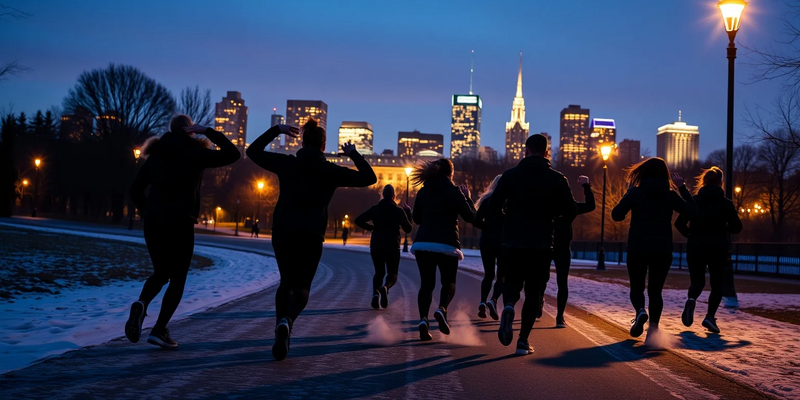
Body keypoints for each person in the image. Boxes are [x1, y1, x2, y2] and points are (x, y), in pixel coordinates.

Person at [246, 118, 376, 361]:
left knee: (286, 283)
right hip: (311, 234)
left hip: (283, 231)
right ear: (323, 146)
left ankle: (279, 329)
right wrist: (353, 154)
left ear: (303, 142)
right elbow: (369, 178)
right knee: (302, 287)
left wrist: (277, 130)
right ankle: (288, 321)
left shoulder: (287, 164)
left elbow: (252, 151)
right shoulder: (330, 171)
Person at [125, 115, 241, 349]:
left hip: (154, 222)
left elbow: (135, 189)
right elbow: (233, 154)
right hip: (180, 222)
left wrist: (147, 212)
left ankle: (142, 302)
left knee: (160, 272)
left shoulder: (156, 154)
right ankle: (159, 330)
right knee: (178, 278)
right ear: (190, 131)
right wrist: (207, 131)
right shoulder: (195, 152)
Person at [490, 134, 576, 355]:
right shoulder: (558, 179)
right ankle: (522, 341)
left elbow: (493, 206)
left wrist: (507, 218)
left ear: (525, 150)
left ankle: (508, 306)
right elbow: (570, 211)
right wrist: (553, 215)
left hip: (512, 241)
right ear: (547, 152)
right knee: (533, 292)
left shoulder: (510, 176)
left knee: (512, 283)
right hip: (541, 243)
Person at [611, 157, 694, 343]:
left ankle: (640, 311)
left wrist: (628, 194)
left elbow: (616, 215)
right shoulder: (670, 195)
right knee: (656, 291)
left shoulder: (636, 193)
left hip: (637, 247)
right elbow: (693, 211)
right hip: (662, 248)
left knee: (637, 287)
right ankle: (653, 332)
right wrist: (682, 188)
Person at [409, 158, 476, 341]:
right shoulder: (455, 192)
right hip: (447, 244)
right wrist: (467, 197)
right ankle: (442, 309)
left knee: (426, 285)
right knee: (448, 283)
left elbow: (417, 219)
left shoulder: (423, 191)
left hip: (423, 244)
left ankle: (423, 320)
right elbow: (470, 217)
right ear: (450, 174)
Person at [675, 167, 742, 333]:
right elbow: (737, 227)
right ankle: (710, 317)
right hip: (718, 248)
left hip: (696, 246)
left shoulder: (695, 201)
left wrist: (691, 234)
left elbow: (679, 223)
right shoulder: (726, 204)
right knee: (716, 284)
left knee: (697, 281)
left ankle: (691, 300)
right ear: (721, 183)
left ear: (704, 182)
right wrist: (723, 227)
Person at [539, 175, 595, 328]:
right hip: (562, 246)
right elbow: (590, 205)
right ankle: (560, 317)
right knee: (562, 282)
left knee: (541, 279)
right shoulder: (570, 207)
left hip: (546, 245)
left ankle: (539, 304)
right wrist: (586, 186)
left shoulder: (546, 205)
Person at [354, 185, 413, 309]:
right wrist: (408, 213)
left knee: (378, 272)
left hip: (376, 245)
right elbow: (408, 228)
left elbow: (358, 220)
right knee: (392, 273)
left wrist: (371, 228)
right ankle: (385, 287)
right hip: (392, 245)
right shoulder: (398, 211)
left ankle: (375, 294)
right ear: (394, 196)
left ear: (382, 195)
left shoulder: (375, 209)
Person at [472, 175, 504, 321]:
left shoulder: (486, 201)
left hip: (486, 241)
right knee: (502, 275)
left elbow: (476, 221)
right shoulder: (506, 201)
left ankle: (482, 302)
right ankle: (494, 300)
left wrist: (488, 228)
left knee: (488, 274)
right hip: (503, 242)